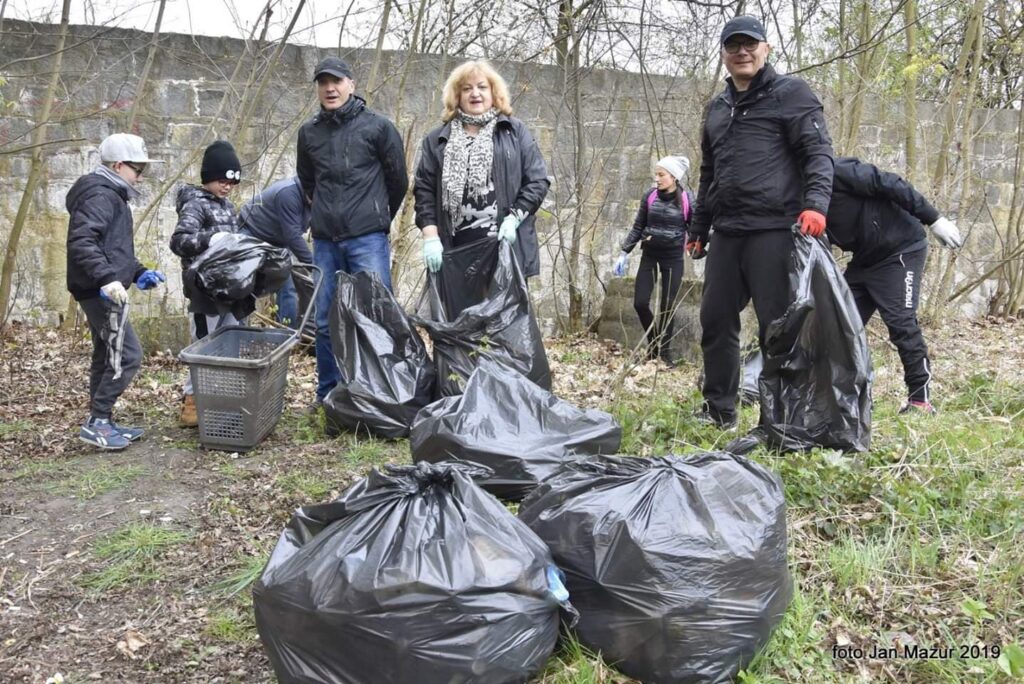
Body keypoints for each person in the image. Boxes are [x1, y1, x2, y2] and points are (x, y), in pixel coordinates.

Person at [687, 15, 835, 429]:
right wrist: (698, 229)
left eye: (750, 44)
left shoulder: (791, 94)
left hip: (775, 229)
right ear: (724, 54)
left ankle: (782, 416)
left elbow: (818, 154)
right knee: (715, 321)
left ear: (765, 49)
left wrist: (817, 206)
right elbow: (708, 173)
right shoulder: (717, 108)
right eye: (733, 46)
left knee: (778, 328)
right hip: (728, 231)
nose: (742, 52)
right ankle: (720, 411)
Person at [297, 57, 408, 408]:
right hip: (326, 241)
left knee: (377, 316)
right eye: (323, 82)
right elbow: (308, 181)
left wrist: (375, 217)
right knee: (326, 319)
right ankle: (329, 394)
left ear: (351, 84)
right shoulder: (309, 132)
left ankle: (383, 394)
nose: (330, 88)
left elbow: (398, 181)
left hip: (367, 238)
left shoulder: (378, 127)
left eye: (337, 81)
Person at [827, 156, 963, 414]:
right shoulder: (796, 193)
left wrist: (933, 219)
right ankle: (845, 396)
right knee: (837, 322)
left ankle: (919, 400)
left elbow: (890, 183)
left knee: (901, 323)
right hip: (865, 258)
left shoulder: (836, 171)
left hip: (900, 248)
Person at [66, 133, 165, 450]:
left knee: (105, 354)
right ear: (119, 165)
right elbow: (83, 242)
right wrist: (108, 280)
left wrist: (138, 272)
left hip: (99, 287)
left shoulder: (112, 195)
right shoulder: (101, 196)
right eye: (138, 168)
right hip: (101, 292)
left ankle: (102, 420)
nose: (141, 175)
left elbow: (113, 248)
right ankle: (98, 421)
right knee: (128, 354)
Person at [413, 59, 550, 278]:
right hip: (455, 252)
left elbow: (537, 181)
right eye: (466, 88)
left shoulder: (514, 132)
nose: (475, 93)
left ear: (494, 92)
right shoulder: (437, 139)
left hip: (504, 246)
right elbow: (424, 192)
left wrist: (515, 218)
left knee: (503, 312)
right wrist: (430, 237)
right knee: (456, 313)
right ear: (457, 96)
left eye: (482, 87)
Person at [170, 139, 243, 426]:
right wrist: (209, 239)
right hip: (204, 292)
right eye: (221, 179)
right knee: (203, 347)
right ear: (208, 177)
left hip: (230, 291)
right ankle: (192, 404)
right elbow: (179, 241)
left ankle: (223, 401)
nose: (227, 186)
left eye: (231, 182)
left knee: (230, 345)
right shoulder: (194, 205)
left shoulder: (228, 207)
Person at [613, 156, 693, 365]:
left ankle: (663, 355)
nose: (657, 178)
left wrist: (702, 244)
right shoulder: (649, 196)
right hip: (650, 254)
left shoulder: (686, 199)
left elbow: (695, 228)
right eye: (656, 174)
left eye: (661, 175)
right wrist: (624, 252)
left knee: (667, 307)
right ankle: (654, 344)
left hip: (673, 257)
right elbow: (638, 226)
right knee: (640, 302)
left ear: (673, 177)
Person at [239, 176, 314, 328]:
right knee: (243, 282)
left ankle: (287, 333)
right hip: (252, 232)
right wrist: (313, 265)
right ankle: (239, 328)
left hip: (278, 240)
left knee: (287, 286)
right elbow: (293, 236)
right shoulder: (288, 194)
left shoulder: (314, 199)